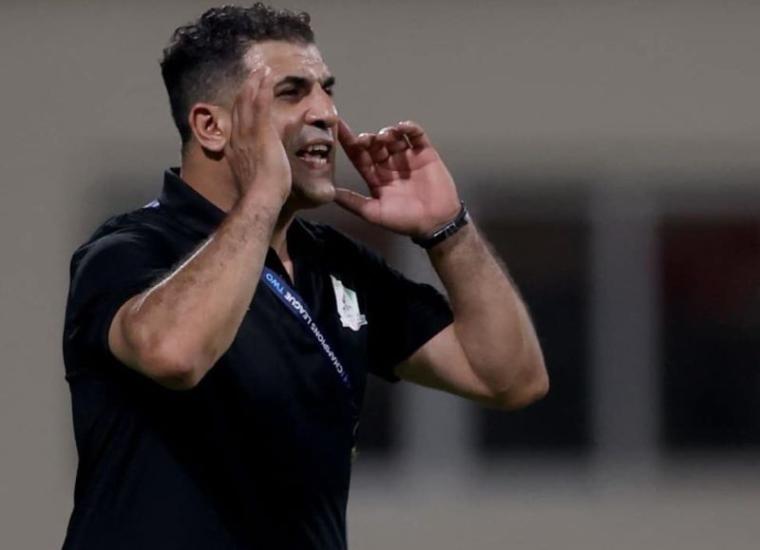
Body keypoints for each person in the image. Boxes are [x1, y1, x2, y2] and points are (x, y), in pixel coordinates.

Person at [62, 4, 548, 549]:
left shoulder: (333, 263)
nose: (327, 114)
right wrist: (262, 196)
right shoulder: (130, 250)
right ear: (212, 127)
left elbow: (509, 377)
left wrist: (449, 230)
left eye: (326, 91)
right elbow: (174, 354)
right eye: (291, 93)